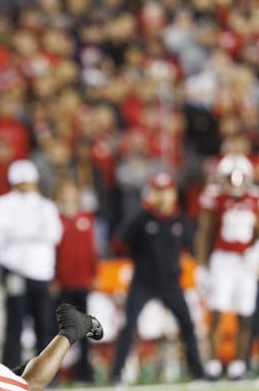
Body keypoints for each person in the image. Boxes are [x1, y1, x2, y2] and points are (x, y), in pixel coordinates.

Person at [109, 172, 204, 384]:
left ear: (173, 194)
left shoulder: (180, 220)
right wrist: (142, 212)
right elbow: (118, 242)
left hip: (171, 282)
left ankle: (198, 372)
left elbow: (192, 246)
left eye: (166, 191)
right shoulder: (141, 217)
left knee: (187, 325)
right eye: (158, 191)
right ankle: (116, 375)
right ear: (152, 193)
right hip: (143, 282)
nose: (162, 197)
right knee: (129, 326)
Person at [0, 159, 63, 368]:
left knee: (43, 323)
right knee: (15, 322)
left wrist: (18, 233)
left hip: (41, 271)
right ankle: (10, 370)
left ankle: (46, 371)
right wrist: (34, 233)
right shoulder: (1, 204)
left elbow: (54, 234)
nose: (27, 186)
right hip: (14, 270)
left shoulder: (46, 206)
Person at [196, 153, 259, 380]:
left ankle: (239, 366)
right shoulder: (215, 198)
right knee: (217, 311)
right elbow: (205, 232)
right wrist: (202, 265)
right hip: (222, 259)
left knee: (245, 313)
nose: (236, 183)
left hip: (245, 261)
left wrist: (256, 252)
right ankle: (212, 365)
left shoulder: (254, 197)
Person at [53, 179, 98, 383]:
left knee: (84, 329)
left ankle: (84, 373)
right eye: (64, 192)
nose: (68, 196)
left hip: (82, 282)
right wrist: (53, 278)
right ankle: (56, 374)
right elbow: (52, 252)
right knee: (60, 332)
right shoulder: (55, 219)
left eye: (71, 192)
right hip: (62, 283)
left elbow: (91, 251)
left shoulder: (86, 219)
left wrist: (94, 274)